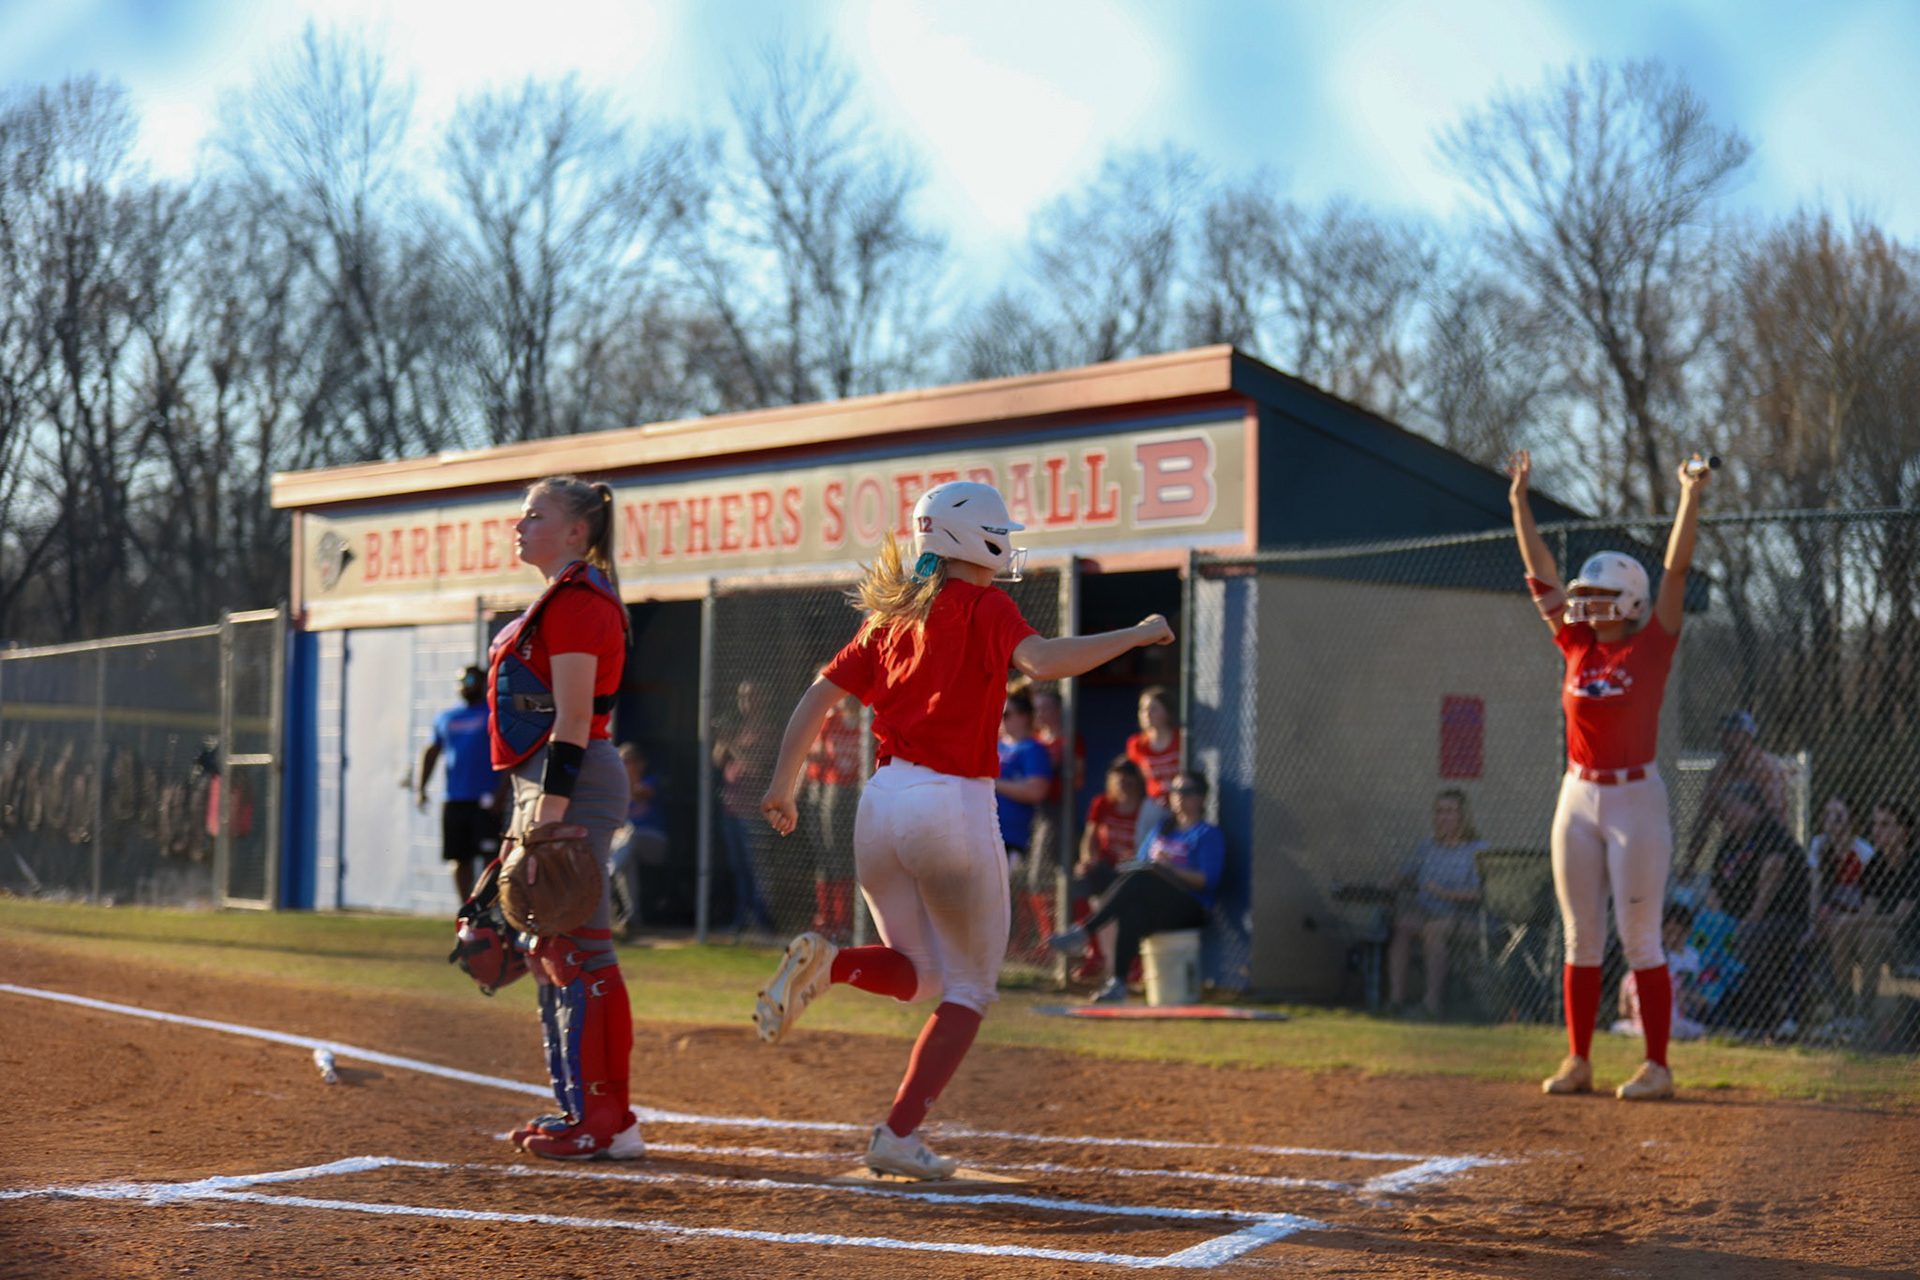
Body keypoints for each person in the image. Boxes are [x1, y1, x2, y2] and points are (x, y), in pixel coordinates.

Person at [752, 480, 1174, 1180]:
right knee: (970, 990)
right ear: (972, 539)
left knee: (921, 979)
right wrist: (1136, 633)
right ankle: (896, 1134)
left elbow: (818, 695)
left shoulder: (892, 614)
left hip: (880, 804)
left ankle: (834, 964)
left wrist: (781, 785)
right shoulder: (983, 602)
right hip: (949, 803)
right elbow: (1042, 662)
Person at [1509, 446, 1710, 1101]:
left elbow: (1676, 569)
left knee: (1640, 939)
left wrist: (1689, 495)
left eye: (1597, 597)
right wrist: (1519, 505)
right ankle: (1579, 1059)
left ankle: (1657, 1066)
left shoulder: (1651, 643)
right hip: (1579, 794)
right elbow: (1540, 574)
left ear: (1629, 602)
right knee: (1580, 936)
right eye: (1583, 596)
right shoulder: (1576, 643)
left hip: (1636, 800)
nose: (1582, 605)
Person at [488, 475, 641, 1161]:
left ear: (578, 530)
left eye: (534, 515)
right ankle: (587, 1109)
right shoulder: (558, 598)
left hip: (571, 780)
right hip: (548, 780)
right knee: (546, 945)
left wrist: (546, 819)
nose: (518, 526)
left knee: (579, 948)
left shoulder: (579, 601)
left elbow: (575, 721)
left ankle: (602, 1117)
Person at [1047, 770, 1226, 1004]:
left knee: (1140, 880)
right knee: (1132, 909)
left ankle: (1083, 933)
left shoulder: (1208, 833)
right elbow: (1142, 863)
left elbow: (1207, 880)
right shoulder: (1163, 828)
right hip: (1156, 899)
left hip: (1191, 906)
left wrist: (1169, 868)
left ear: (1202, 797)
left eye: (1187, 791)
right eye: (1175, 791)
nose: (1179, 797)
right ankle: (1118, 984)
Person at [1703, 781, 1810, 1034]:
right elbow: (1714, 887)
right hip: (1737, 919)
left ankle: (1758, 1018)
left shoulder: (1769, 831)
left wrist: (1750, 919)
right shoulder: (1729, 842)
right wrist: (1718, 922)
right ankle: (1709, 1012)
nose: (1724, 814)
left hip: (1782, 918)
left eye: (1730, 808)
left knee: (1752, 938)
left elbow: (1772, 873)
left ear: (1751, 808)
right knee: (1704, 935)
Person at [1385, 789, 1486, 1020]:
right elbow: (1404, 875)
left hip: (1466, 919)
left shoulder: (1477, 850)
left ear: (1463, 816)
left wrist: (1444, 893)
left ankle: (1431, 1005)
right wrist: (1384, 886)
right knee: (1402, 926)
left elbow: (1480, 894)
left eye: (1450, 812)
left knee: (1433, 931)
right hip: (1430, 913)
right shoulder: (1428, 847)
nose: (1444, 817)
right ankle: (1395, 1001)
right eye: (1439, 812)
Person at [1824, 801, 1919, 1038]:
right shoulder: (1876, 864)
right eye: (1875, 824)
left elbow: (1900, 919)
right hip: (1884, 933)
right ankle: (1843, 1015)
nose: (1877, 831)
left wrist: (1855, 921)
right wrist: (1848, 922)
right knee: (1842, 931)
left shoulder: (1915, 863)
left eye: (1885, 825)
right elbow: (1869, 911)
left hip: (1911, 939)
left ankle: (1864, 1017)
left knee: (1870, 936)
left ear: (1903, 831)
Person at [418, 666, 503, 903]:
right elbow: (432, 752)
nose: (467, 685)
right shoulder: (447, 718)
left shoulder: (493, 716)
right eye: (462, 681)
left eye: (472, 680)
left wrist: (501, 795)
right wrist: (421, 788)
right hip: (455, 798)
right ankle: (465, 908)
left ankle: (487, 908)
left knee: (489, 857)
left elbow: (508, 760)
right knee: (459, 858)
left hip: (485, 799)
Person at [1070, 756, 1152, 982]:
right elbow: (1090, 836)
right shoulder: (1103, 803)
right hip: (1107, 868)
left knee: (1131, 900)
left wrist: (1137, 858)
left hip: (1133, 872)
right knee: (1080, 881)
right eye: (1118, 775)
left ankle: (1133, 962)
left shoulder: (1147, 809)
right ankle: (1094, 955)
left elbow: (1153, 845)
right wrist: (1087, 858)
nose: (1123, 780)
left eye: (1128, 775)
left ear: (1138, 780)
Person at [1683, 710, 1790, 876]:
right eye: (1724, 733)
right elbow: (1704, 820)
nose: (1726, 738)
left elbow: (1775, 818)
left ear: (1748, 737)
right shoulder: (1719, 773)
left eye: (1733, 733)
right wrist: (1690, 862)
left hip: (1764, 842)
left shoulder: (1765, 767)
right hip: (1733, 843)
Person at [714, 679, 777, 933]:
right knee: (738, 867)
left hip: (754, 812)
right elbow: (718, 761)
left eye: (751, 696)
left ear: (763, 700)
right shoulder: (740, 729)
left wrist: (733, 745)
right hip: (731, 809)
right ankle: (742, 919)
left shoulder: (768, 731)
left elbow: (756, 764)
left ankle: (762, 921)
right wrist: (723, 740)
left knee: (756, 868)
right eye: (742, 697)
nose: (746, 702)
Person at [995, 688, 1052, 952]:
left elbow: (1035, 790)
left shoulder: (1033, 749)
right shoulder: (993, 744)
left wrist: (991, 782)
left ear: (1026, 717)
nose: (1002, 719)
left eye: (1008, 714)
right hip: (975, 829)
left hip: (1009, 836)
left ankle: (992, 953)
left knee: (992, 893)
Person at [804, 690, 864, 940]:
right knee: (827, 856)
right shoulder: (831, 719)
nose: (849, 699)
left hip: (857, 792)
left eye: (854, 694)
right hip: (832, 791)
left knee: (845, 859)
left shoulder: (866, 722)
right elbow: (816, 752)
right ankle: (827, 918)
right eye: (845, 694)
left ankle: (845, 922)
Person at [1614, 905, 1708, 1042]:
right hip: (1671, 1015)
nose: (1674, 937)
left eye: (1679, 933)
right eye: (1669, 932)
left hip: (1683, 1005)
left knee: (1619, 1027)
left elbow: (1624, 1011)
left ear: (1688, 932)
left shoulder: (1692, 955)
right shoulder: (1663, 960)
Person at [609, 742, 667, 940]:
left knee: (630, 835)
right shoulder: (616, 787)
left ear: (640, 763)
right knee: (626, 857)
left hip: (655, 843)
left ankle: (606, 875)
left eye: (628, 761)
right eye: (620, 760)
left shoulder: (650, 781)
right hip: (626, 847)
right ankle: (632, 919)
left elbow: (640, 792)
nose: (623, 764)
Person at [1125, 686, 1181, 803]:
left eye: (1154, 709)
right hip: (1156, 802)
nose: (1147, 714)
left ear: (1167, 713)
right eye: (1143, 709)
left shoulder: (1181, 738)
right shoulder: (1137, 744)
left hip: (1182, 800)